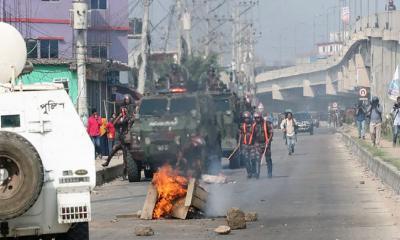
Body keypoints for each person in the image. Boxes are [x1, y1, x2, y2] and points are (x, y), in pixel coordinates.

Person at [102, 107, 131, 179]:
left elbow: (126, 122)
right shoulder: (119, 118)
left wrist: (125, 115)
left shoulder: (127, 118)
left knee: (125, 159)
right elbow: (114, 124)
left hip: (125, 140)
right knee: (112, 151)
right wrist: (119, 116)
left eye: (124, 110)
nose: (123, 111)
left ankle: (124, 175)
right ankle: (107, 162)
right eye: (122, 110)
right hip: (119, 140)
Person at [239, 111, 258, 178]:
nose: (246, 119)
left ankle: (254, 172)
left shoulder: (254, 125)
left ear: (250, 118)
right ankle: (249, 173)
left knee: (253, 159)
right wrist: (239, 144)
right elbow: (240, 135)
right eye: (245, 118)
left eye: (247, 118)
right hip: (245, 145)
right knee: (246, 160)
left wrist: (257, 143)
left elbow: (257, 135)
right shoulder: (242, 125)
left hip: (252, 145)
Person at [253, 112, 273, 178]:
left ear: (261, 117)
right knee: (257, 159)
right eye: (256, 118)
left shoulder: (267, 123)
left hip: (266, 143)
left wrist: (269, 141)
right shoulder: (254, 125)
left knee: (268, 159)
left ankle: (270, 173)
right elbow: (252, 136)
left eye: (258, 118)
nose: (257, 119)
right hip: (258, 144)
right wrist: (255, 144)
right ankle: (257, 173)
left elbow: (271, 133)